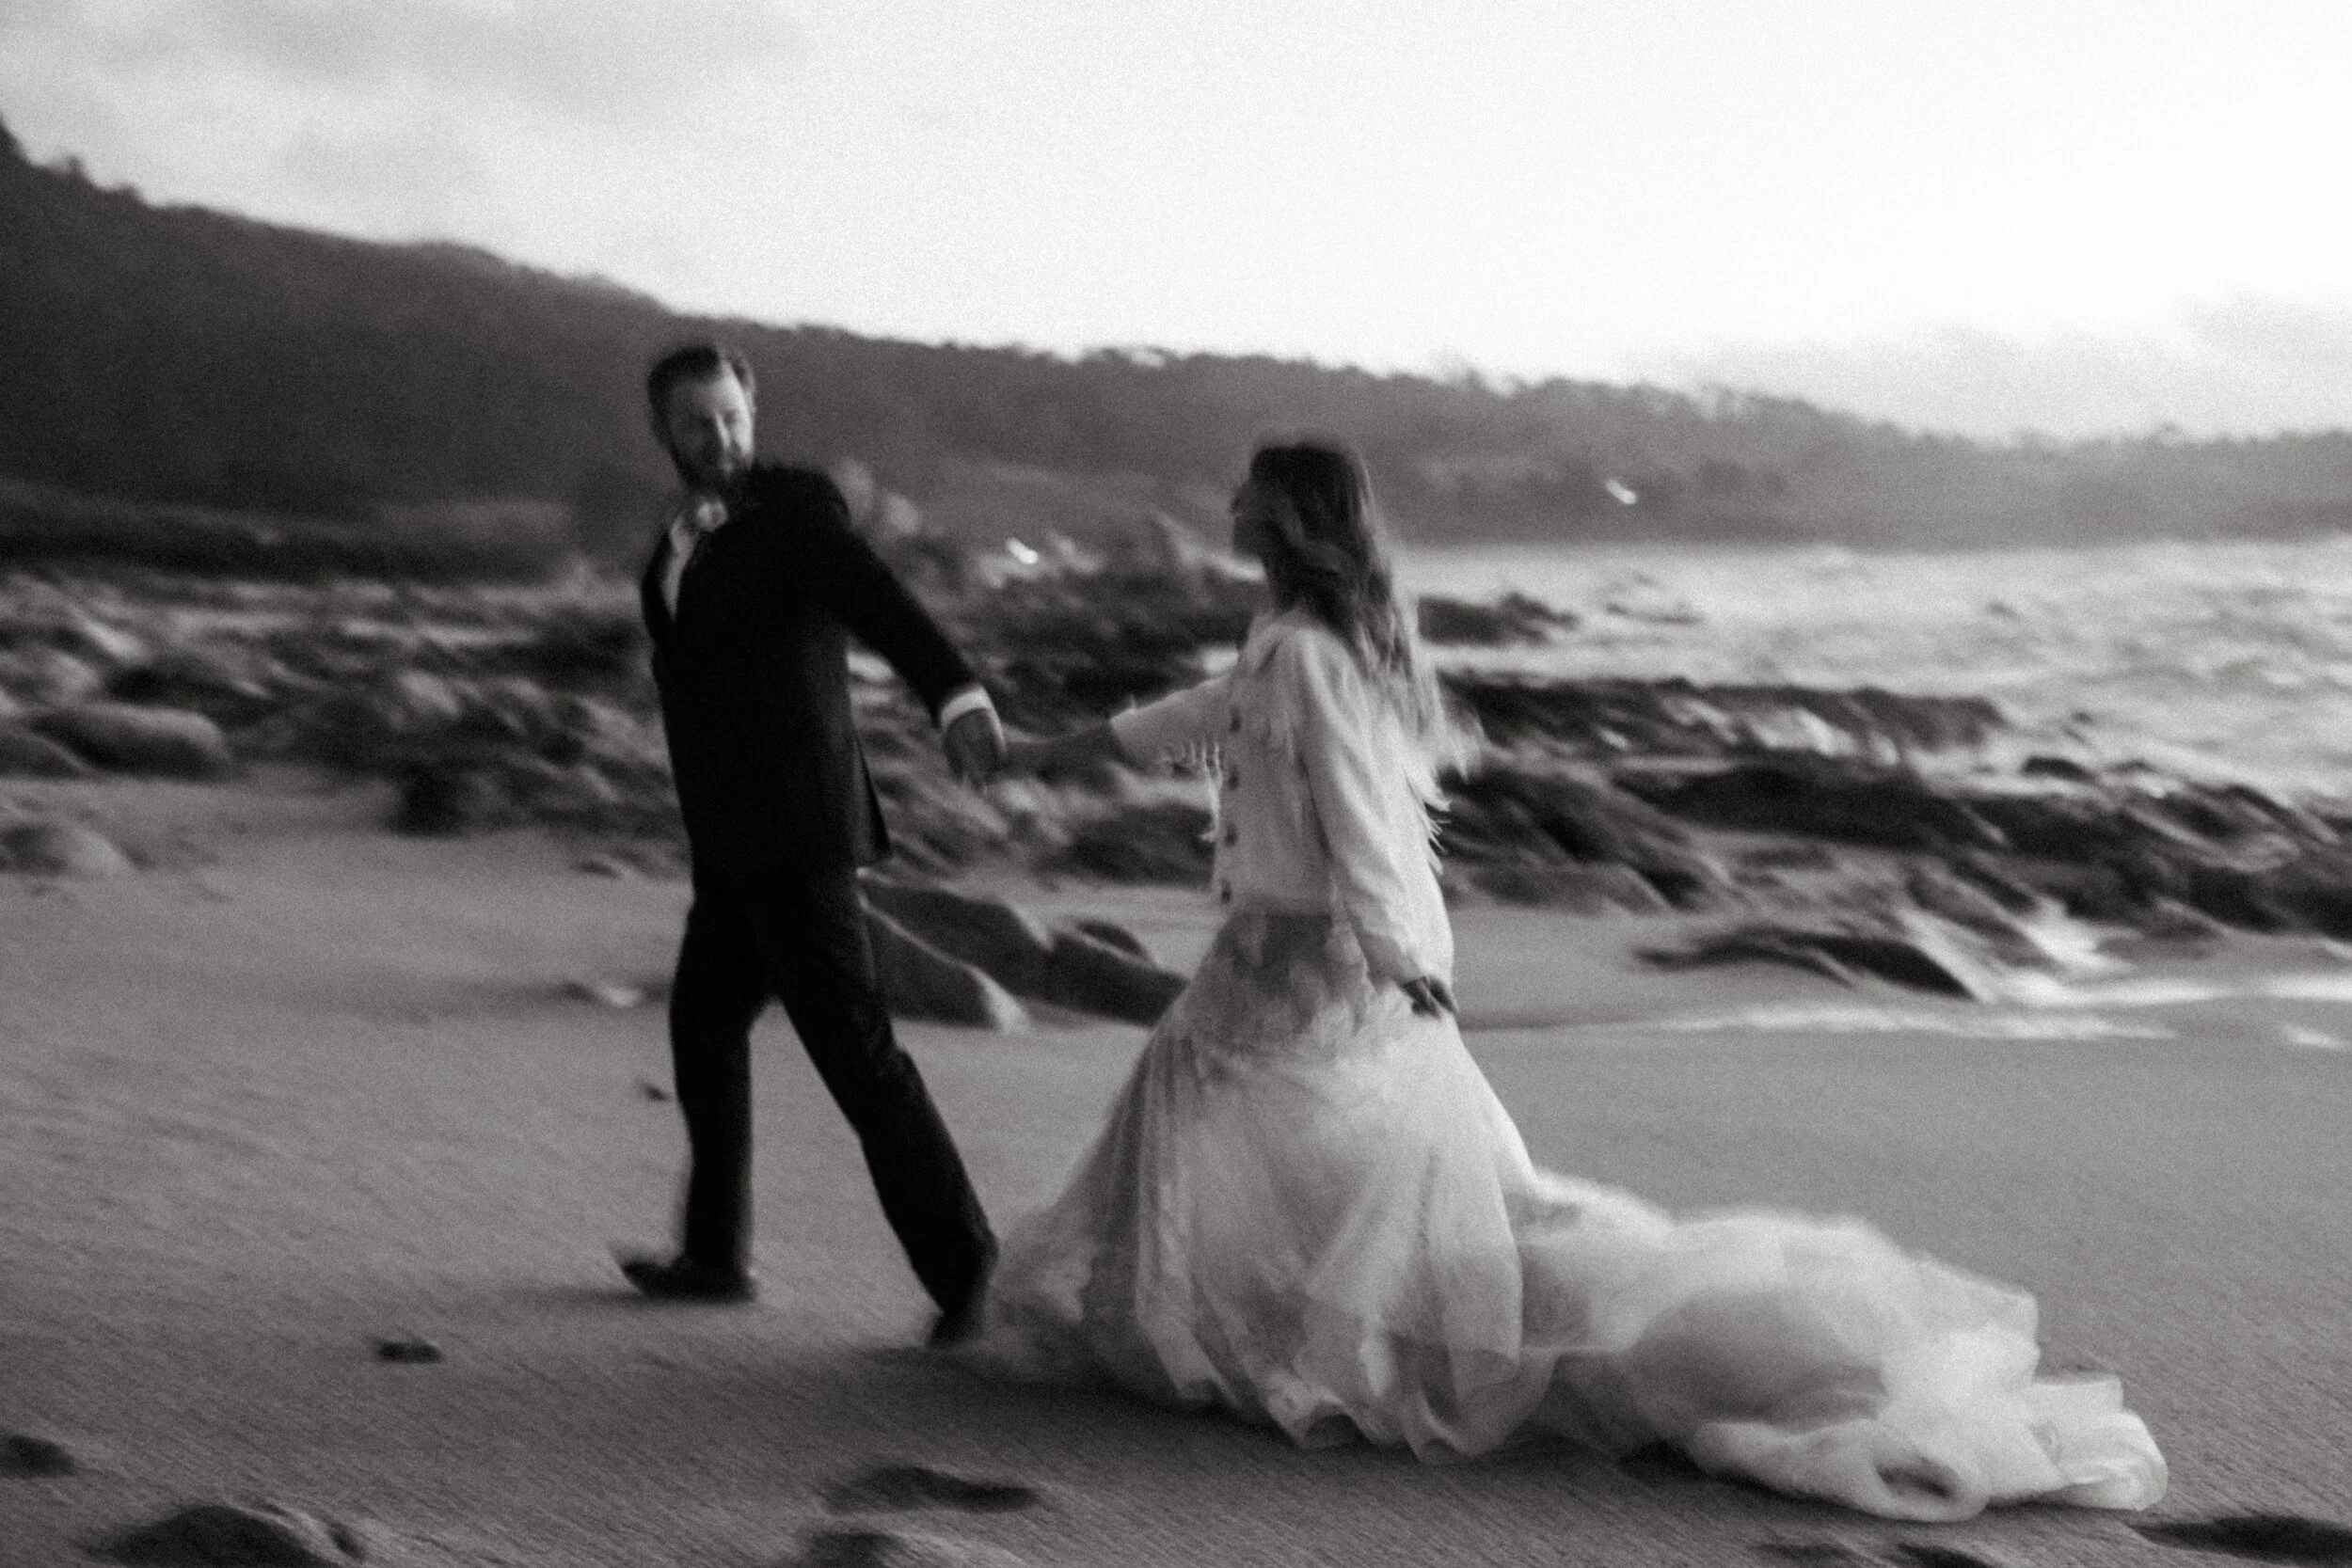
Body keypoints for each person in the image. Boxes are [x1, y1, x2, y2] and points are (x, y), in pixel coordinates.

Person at [959, 439, 2168, 1522]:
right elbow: (1182, 719)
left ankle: (1222, 1331)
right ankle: (1216, 1323)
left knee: (1248, 1136)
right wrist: (1030, 751)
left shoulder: (1312, 656)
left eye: (1249, 493)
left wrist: (1396, 958)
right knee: (1284, 1151)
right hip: (1294, 954)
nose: (1229, 503)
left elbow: (1357, 812)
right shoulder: (1294, 645)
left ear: (1286, 519)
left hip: (1306, 958)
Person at [621, 341, 1001, 1345]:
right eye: (698, 422)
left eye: (733, 418)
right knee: (703, 1030)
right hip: (729, 847)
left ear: (753, 417)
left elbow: (880, 602)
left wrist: (955, 694)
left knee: (861, 1061)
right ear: (663, 430)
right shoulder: (676, 540)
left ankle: (974, 1285)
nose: (720, 438)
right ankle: (715, 1255)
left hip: (796, 838)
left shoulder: (794, 512)